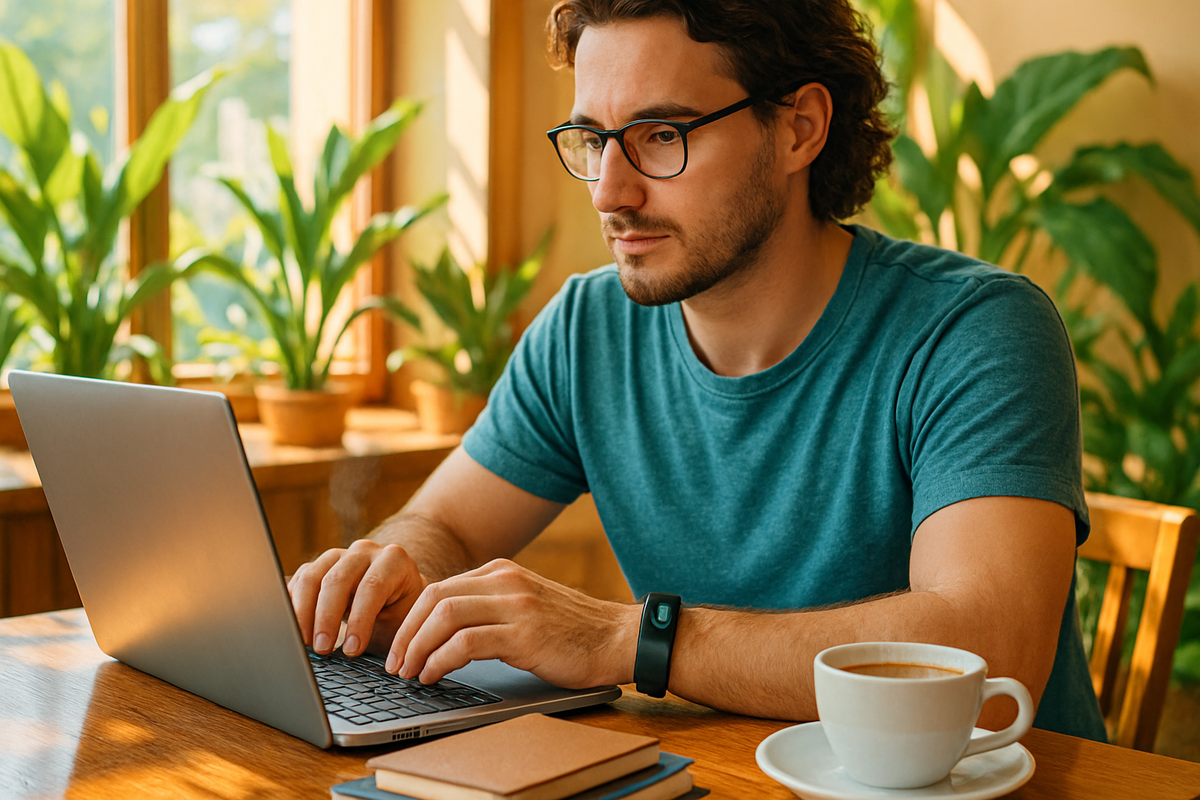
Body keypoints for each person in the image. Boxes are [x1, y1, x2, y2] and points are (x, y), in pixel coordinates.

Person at [288, 0, 1107, 740]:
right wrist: (392, 567)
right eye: (593, 140)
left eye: (660, 136)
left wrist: (623, 638)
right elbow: (448, 527)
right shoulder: (585, 330)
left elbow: (986, 647)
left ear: (799, 128)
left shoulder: (974, 330)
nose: (611, 191)